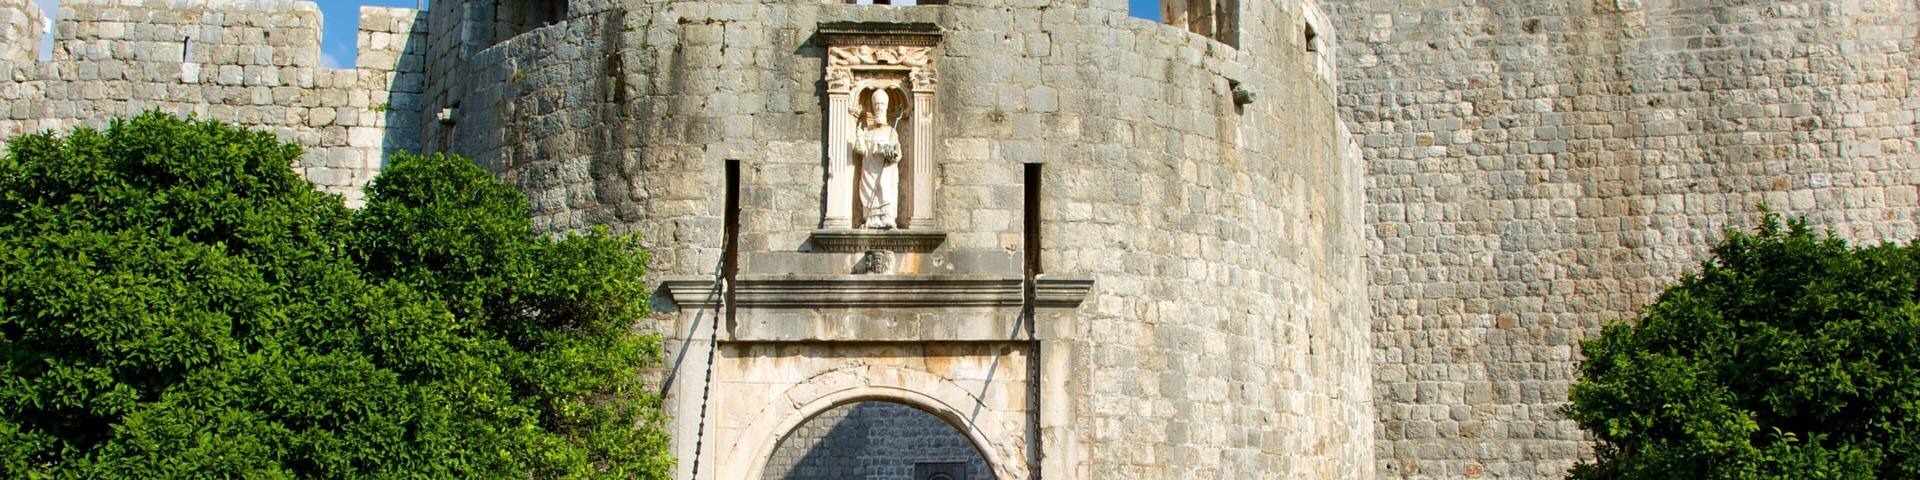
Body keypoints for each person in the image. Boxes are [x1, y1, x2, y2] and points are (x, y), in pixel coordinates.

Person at [852, 87, 904, 229]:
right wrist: (859, 138)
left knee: (885, 189)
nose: (879, 107)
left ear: (886, 108)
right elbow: (860, 150)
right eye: (877, 105)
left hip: (886, 171)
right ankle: (871, 219)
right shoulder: (867, 131)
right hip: (869, 169)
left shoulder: (891, 132)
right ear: (873, 108)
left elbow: (898, 153)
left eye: (882, 105)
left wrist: (891, 153)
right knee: (869, 192)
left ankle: (887, 218)